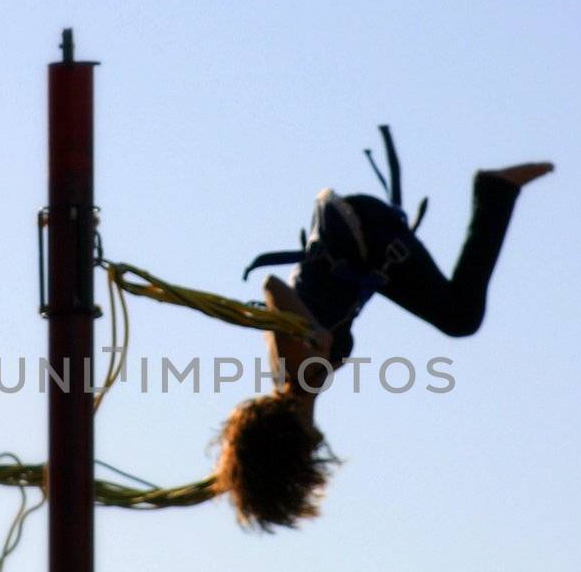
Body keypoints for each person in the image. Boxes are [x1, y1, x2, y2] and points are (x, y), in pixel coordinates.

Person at [214, 127, 553, 530]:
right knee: (457, 317)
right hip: (363, 247)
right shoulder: (297, 378)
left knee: (460, 317)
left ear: (296, 450)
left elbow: (271, 286)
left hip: (367, 236)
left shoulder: (301, 375)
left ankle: (495, 190)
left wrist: (303, 326)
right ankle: (495, 191)